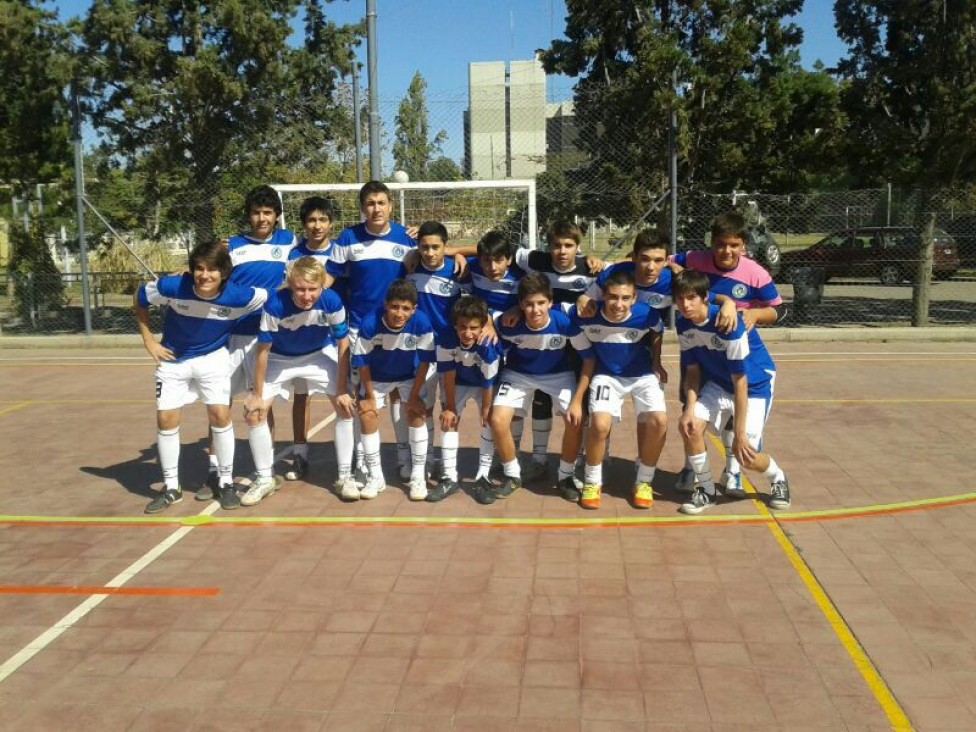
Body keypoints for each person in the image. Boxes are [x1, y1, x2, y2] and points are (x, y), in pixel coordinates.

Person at [134, 241, 268, 514]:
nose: (204, 275)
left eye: (212, 270)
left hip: (213, 359)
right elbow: (138, 298)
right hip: (173, 360)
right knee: (166, 420)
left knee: (220, 415)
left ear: (224, 272)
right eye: (199, 269)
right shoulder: (172, 287)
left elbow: (274, 296)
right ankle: (171, 487)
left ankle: (226, 482)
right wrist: (149, 341)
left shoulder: (239, 296)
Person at [669, 211, 786, 497]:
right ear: (712, 243)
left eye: (734, 245)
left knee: (742, 443)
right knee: (690, 417)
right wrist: (676, 274)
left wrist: (752, 313)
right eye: (721, 244)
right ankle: (697, 475)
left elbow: (779, 309)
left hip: (738, 356)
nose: (726, 250)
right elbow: (665, 262)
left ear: (743, 245)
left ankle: (743, 471)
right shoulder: (695, 261)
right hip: (706, 351)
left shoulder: (754, 272)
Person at [199, 185, 296, 508]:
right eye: (256, 212)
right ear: (248, 215)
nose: (261, 218)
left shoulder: (289, 242)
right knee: (219, 401)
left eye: (267, 212)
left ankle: (263, 472)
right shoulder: (232, 247)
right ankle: (215, 470)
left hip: (267, 339)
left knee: (261, 404)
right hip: (231, 336)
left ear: (277, 216)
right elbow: (208, 273)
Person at [241, 257, 356, 506]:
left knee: (345, 407)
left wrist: (341, 389)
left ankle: (345, 476)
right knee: (254, 414)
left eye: (312, 289)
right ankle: (264, 479)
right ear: (290, 286)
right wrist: (256, 394)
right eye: (300, 289)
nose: (306, 295)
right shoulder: (275, 304)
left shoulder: (332, 300)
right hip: (279, 358)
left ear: (321, 285)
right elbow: (263, 350)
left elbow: (343, 344)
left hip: (317, 355)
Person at [506, 220, 605, 483]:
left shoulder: (590, 268)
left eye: (568, 246)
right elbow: (497, 249)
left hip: (577, 342)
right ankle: (539, 459)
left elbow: (621, 273)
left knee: (580, 404)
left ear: (578, 248)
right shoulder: (536, 260)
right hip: (546, 338)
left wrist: (598, 265)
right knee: (540, 397)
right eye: (556, 246)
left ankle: (580, 458)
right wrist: (452, 252)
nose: (562, 251)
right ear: (548, 247)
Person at [569, 267, 668, 510]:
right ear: (602, 295)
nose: (618, 304)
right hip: (606, 375)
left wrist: (657, 362)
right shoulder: (585, 314)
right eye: (613, 297)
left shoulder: (646, 314)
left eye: (625, 298)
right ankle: (593, 481)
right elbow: (560, 315)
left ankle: (643, 481)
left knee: (658, 421)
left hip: (641, 374)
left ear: (634, 298)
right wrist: (580, 297)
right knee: (600, 424)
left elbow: (657, 332)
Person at [487, 274, 588, 505]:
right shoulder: (509, 323)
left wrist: (577, 400)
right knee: (498, 420)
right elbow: (485, 314)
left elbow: (589, 360)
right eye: (529, 304)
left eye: (541, 303)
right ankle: (512, 475)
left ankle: (565, 477)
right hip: (518, 374)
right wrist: (487, 323)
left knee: (575, 419)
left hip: (559, 375)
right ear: (520, 305)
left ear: (550, 302)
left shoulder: (563, 322)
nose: (535, 309)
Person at [352, 279, 436, 502]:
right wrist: (369, 396)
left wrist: (415, 396)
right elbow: (362, 362)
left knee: (416, 413)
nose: (399, 313)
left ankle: (418, 476)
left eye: (406, 308)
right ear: (385, 304)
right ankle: (375, 476)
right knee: (367, 414)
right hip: (376, 378)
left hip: (408, 376)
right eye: (395, 307)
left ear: (414, 309)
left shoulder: (422, 322)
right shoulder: (370, 323)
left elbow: (426, 362)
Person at [402, 220, 465, 480]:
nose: (430, 252)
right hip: (421, 351)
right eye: (424, 247)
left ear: (445, 247)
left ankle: (448, 466)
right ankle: (426, 459)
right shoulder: (409, 271)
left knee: (449, 406)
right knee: (422, 406)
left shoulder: (458, 271)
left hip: (451, 349)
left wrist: (461, 254)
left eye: (435, 247)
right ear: (418, 248)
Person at [286, 196, 342, 482]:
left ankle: (350, 457)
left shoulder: (341, 251)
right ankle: (299, 453)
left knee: (343, 397)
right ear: (303, 224)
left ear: (331, 223)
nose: (317, 225)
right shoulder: (293, 254)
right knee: (301, 396)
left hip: (333, 335)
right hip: (300, 336)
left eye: (322, 219)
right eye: (311, 220)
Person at [430, 296, 502, 503]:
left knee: (488, 422)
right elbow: (448, 374)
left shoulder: (488, 345)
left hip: (484, 384)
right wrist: (450, 407)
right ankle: (449, 478)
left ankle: (483, 476)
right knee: (448, 420)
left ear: (482, 327)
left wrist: (487, 408)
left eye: (473, 328)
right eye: (462, 327)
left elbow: (488, 381)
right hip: (459, 381)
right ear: (454, 325)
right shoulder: (445, 337)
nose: (467, 333)